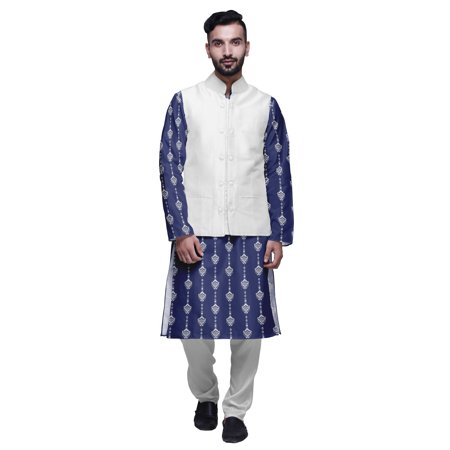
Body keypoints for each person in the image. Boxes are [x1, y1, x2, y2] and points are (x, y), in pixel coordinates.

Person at [158, 10, 294, 443]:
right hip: (197, 230)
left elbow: (278, 170)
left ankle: (236, 410)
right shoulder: (185, 101)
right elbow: (169, 167)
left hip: (253, 230)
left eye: (235, 42)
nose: (228, 51)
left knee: (248, 331)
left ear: (247, 47)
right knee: (193, 327)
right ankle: (206, 396)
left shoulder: (266, 105)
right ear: (208, 49)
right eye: (219, 43)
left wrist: (280, 233)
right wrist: (180, 229)